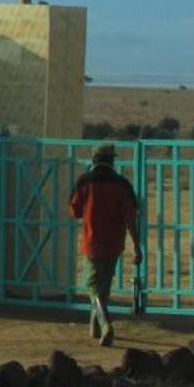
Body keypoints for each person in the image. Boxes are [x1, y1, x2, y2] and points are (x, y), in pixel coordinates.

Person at [67, 144, 141, 345]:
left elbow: (73, 211)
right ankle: (95, 327)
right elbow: (130, 217)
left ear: (94, 159)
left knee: (92, 286)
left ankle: (106, 324)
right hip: (114, 242)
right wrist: (137, 245)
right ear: (112, 160)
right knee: (103, 286)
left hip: (92, 241)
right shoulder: (122, 184)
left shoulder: (84, 182)